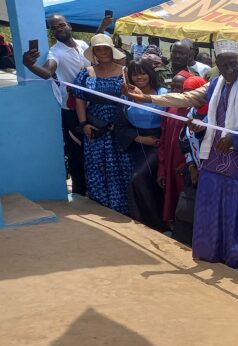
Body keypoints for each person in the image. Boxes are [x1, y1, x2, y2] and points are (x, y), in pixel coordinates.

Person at [124, 39, 238, 270]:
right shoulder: (215, 84)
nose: (229, 70)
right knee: (211, 205)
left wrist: (235, 138)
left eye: (233, 65)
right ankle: (213, 251)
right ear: (217, 65)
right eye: (223, 66)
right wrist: (147, 98)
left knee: (236, 208)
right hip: (214, 156)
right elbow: (186, 98)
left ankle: (237, 255)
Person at [22, 14, 91, 196]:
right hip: (71, 110)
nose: (59, 29)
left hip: (92, 107)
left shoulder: (83, 46)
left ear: (69, 25)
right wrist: (29, 65)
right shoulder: (56, 52)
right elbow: (46, 72)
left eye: (61, 25)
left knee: (94, 149)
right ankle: (79, 191)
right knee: (76, 150)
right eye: (54, 28)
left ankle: (95, 189)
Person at [72, 34, 131, 213]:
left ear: (112, 50)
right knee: (96, 165)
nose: (103, 52)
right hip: (95, 126)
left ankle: (124, 208)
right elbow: (79, 100)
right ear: (94, 52)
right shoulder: (85, 73)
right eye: (98, 49)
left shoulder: (125, 72)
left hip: (119, 126)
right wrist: (83, 124)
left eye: (106, 48)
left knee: (123, 166)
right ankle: (100, 206)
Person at [115, 60, 168, 231]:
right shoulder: (125, 96)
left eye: (143, 73)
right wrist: (140, 139)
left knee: (140, 177)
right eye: (135, 74)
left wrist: (156, 141)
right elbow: (120, 125)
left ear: (150, 74)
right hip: (136, 144)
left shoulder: (163, 93)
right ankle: (142, 219)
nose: (139, 77)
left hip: (158, 144)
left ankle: (157, 223)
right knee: (140, 181)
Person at [174, 76, 209, 245]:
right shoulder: (191, 112)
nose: (189, 97)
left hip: (211, 171)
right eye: (186, 93)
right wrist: (191, 166)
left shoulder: (215, 112)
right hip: (194, 169)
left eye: (193, 93)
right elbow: (184, 139)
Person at [157, 72, 191, 229]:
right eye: (174, 87)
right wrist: (162, 168)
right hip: (169, 163)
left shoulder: (194, 111)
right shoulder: (169, 106)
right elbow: (163, 138)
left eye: (181, 87)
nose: (177, 90)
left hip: (186, 164)